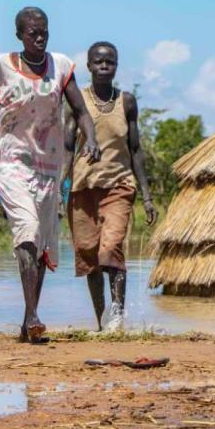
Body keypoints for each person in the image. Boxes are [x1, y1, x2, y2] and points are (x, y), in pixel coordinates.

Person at [0, 7, 100, 343]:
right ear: (19, 34)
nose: (40, 37)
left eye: (44, 31)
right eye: (33, 32)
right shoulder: (1, 67)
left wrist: (90, 138)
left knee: (43, 242)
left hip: (48, 165)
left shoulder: (60, 67)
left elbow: (80, 110)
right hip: (9, 159)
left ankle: (27, 323)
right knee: (28, 230)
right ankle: (34, 315)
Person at [64, 42, 157, 332]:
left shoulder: (126, 102)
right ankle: (101, 321)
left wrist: (147, 195)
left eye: (110, 62)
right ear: (89, 66)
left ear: (116, 66)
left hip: (119, 184)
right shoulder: (77, 101)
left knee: (111, 248)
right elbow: (67, 148)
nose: (104, 66)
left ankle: (117, 316)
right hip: (82, 188)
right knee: (90, 256)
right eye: (98, 62)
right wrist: (58, 189)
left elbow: (136, 149)